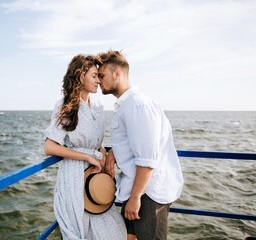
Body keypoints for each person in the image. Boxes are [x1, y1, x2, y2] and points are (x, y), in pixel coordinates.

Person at [96, 50, 184, 240]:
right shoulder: (127, 105)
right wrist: (114, 153)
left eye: (102, 75)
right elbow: (134, 142)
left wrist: (135, 198)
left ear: (117, 74)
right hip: (135, 189)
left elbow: (147, 159)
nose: (98, 80)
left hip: (147, 194)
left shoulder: (138, 106)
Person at [43, 54, 127, 240]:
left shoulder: (97, 104)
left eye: (99, 76)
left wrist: (103, 153)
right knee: (80, 230)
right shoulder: (64, 106)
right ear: (81, 76)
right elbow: (49, 147)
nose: (99, 80)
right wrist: (87, 157)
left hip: (97, 173)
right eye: (94, 76)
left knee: (114, 230)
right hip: (74, 175)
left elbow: (97, 142)